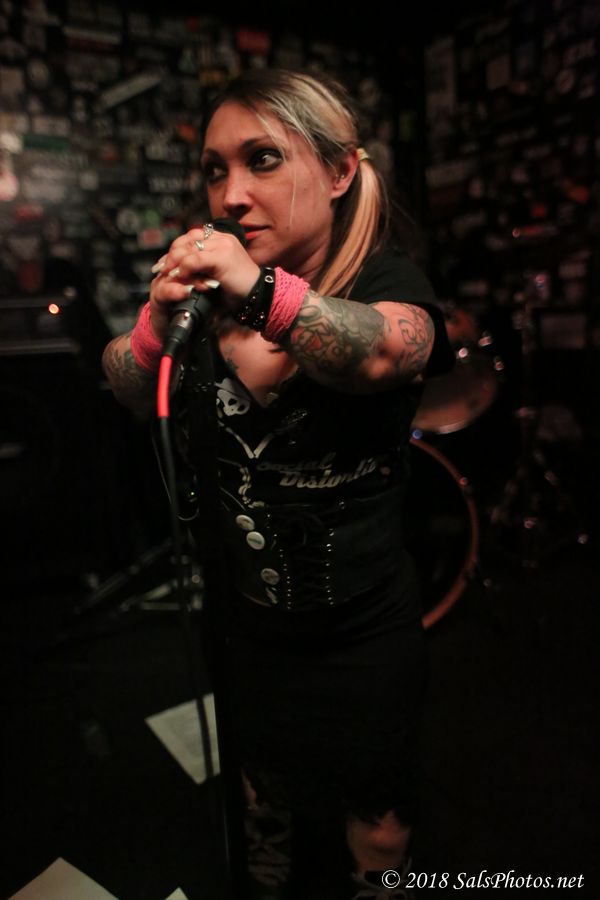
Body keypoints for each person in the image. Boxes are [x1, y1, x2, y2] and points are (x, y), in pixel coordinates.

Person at [102, 68, 453, 900]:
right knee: (262, 801)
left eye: (262, 159)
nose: (231, 194)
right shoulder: (209, 307)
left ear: (338, 171)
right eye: (214, 170)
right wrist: (155, 322)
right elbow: (123, 381)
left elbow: (383, 351)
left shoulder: (384, 282)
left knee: (378, 818)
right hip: (245, 622)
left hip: (362, 627)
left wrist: (258, 291)